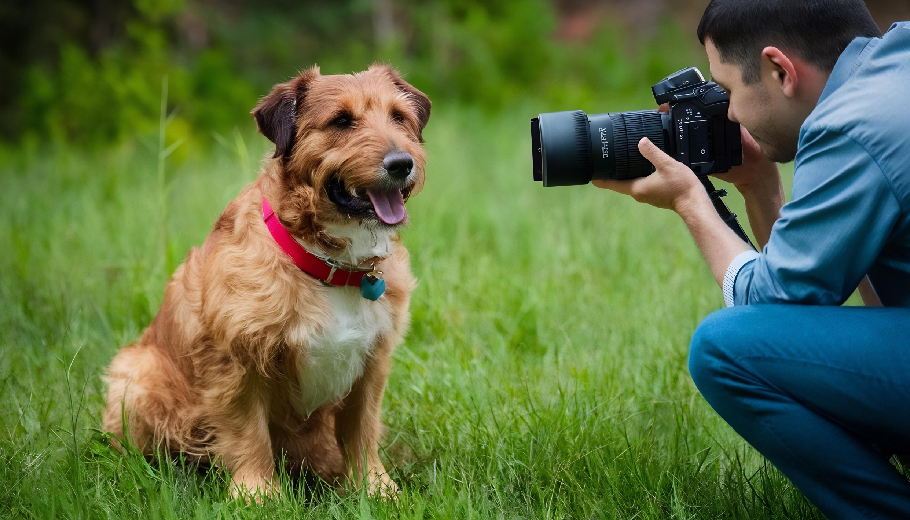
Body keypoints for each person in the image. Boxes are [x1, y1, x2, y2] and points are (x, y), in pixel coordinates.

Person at [595, 1, 910, 518]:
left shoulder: (852, 125)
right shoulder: (893, 69)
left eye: (728, 92)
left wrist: (690, 201)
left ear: (780, 70)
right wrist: (761, 185)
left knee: (725, 348)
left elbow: (767, 301)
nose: (732, 114)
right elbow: (814, 295)